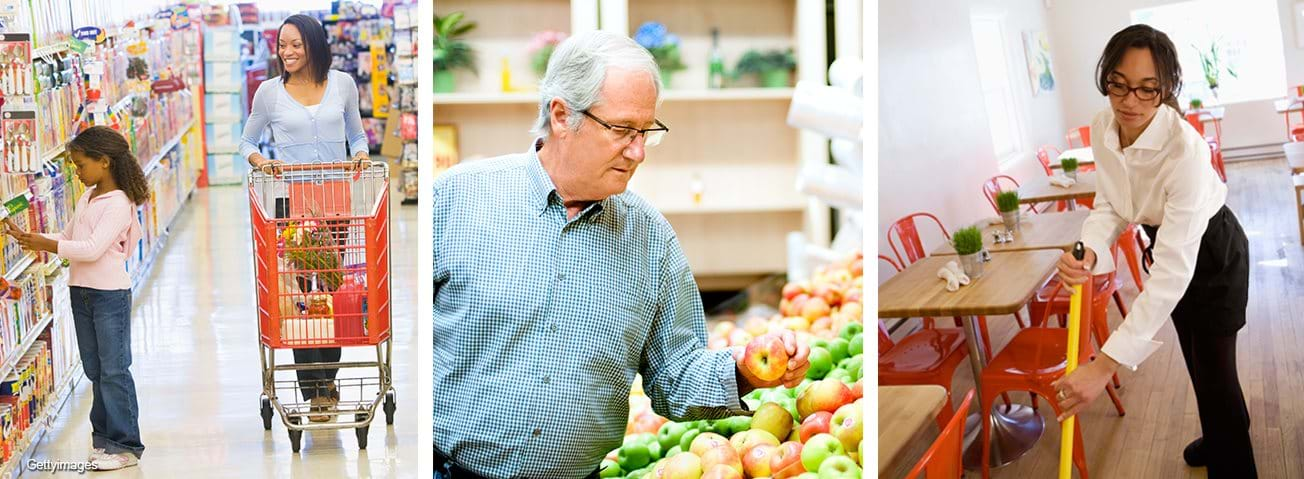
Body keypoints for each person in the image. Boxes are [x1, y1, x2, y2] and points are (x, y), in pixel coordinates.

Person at [432, 31, 812, 478]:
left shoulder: (651, 238)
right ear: (561, 116)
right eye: (622, 130)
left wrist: (750, 368)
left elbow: (676, 374)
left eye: (646, 132)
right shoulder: (457, 198)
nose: (637, 152)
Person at [1051, 24, 1256, 477]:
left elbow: (1169, 276)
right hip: (1164, 242)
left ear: (1166, 89)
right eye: (1118, 85)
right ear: (1106, 78)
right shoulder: (1105, 125)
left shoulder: (1185, 150)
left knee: (1217, 375)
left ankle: (1233, 456)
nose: (1129, 102)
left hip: (1213, 252)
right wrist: (1091, 252)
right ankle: (1222, 431)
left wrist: (1103, 365)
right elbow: (1111, 203)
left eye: (1147, 90)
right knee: (1196, 361)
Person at [239, 14, 370, 422]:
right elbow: (246, 142)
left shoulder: (344, 84)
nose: (288, 52)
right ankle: (311, 390)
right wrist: (263, 162)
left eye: (295, 44)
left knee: (329, 293)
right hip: (293, 210)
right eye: (282, 45)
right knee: (296, 299)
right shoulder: (269, 93)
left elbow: (357, 134)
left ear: (313, 44)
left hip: (336, 205)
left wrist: (362, 156)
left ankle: (327, 382)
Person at [4, 126, 148, 471]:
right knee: (95, 369)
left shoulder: (117, 203)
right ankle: (104, 440)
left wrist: (49, 245)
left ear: (104, 162)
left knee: (114, 370)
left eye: (81, 165)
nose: (77, 172)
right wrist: (33, 237)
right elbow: (70, 237)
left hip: (109, 294)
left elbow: (92, 249)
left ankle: (126, 445)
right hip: (81, 292)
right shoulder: (89, 196)